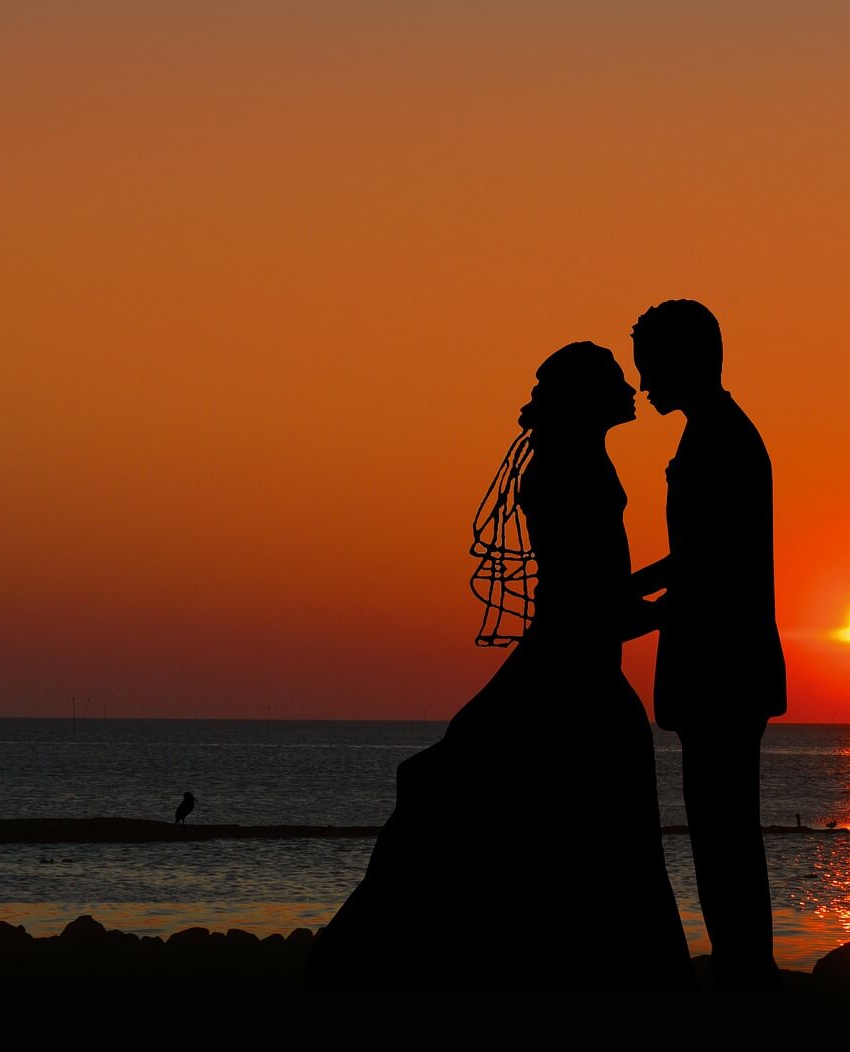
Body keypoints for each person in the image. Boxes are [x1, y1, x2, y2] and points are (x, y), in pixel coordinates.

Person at [306, 342, 691, 992]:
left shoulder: (572, 463)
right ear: (587, 399)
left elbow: (598, 590)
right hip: (571, 673)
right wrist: (673, 599)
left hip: (567, 662)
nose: (630, 389)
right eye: (613, 381)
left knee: (472, 791)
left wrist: (667, 586)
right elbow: (592, 596)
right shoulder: (576, 470)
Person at [630, 301, 786, 989]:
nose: (644, 384)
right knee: (723, 831)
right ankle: (743, 967)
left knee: (723, 833)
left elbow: (709, 566)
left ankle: (744, 972)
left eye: (652, 366)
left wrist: (634, 607)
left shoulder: (721, 440)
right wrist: (633, 589)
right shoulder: (718, 435)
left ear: (687, 361)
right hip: (725, 667)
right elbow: (694, 556)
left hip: (721, 669)